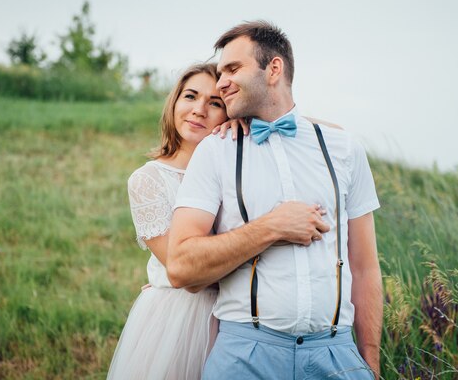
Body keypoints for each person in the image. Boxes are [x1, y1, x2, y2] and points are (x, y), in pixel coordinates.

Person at [168, 21, 382, 379]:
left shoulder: (344, 148)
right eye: (220, 72)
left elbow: (365, 267)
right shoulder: (215, 151)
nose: (221, 82)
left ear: (274, 69)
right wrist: (272, 226)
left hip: (338, 358)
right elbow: (181, 267)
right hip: (243, 357)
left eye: (233, 69)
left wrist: (370, 361)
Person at [107, 62, 323, 379]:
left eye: (215, 103)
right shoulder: (148, 180)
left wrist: (251, 119)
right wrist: (275, 233)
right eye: (190, 97)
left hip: (243, 315)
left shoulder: (240, 165)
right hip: (180, 319)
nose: (198, 110)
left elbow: (328, 130)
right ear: (174, 103)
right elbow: (189, 274)